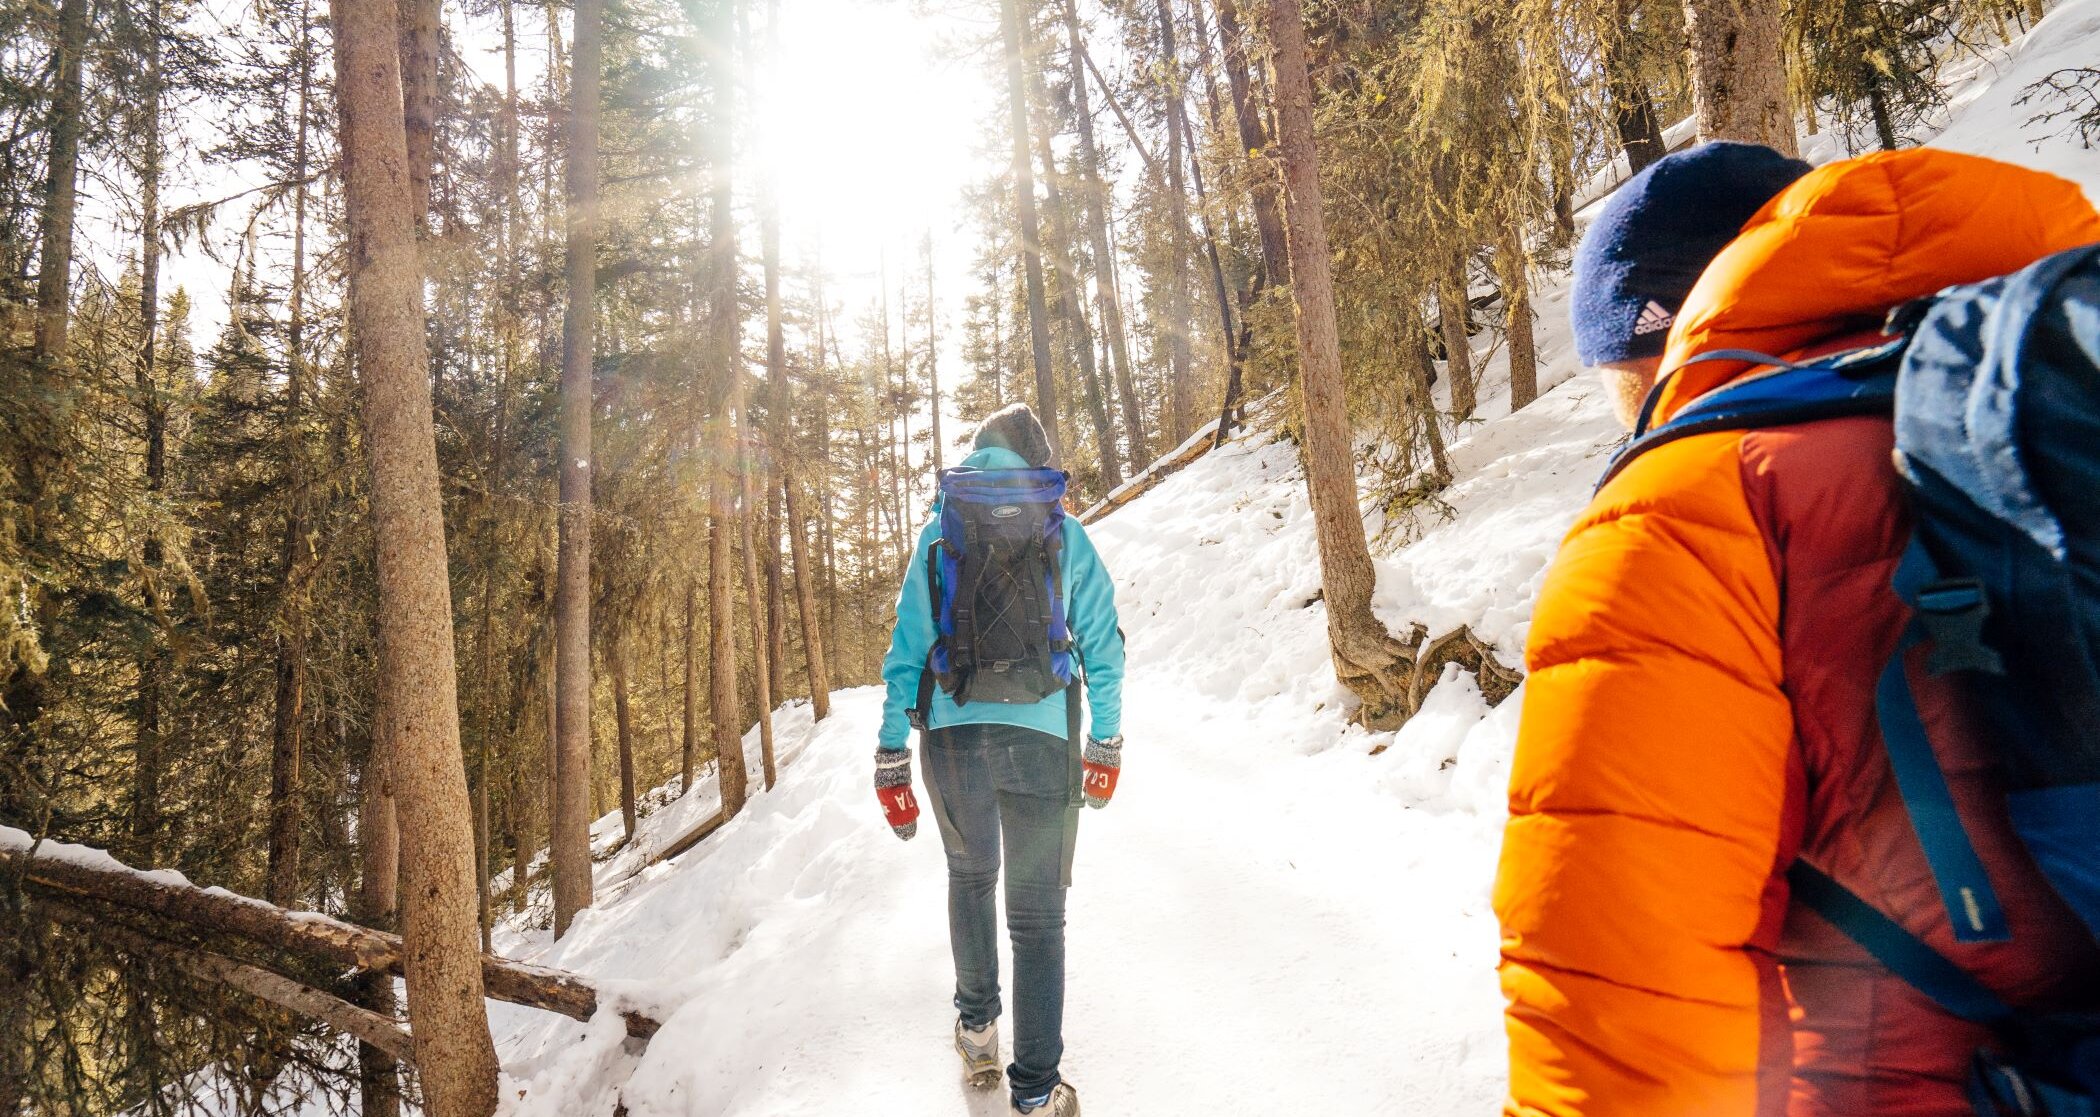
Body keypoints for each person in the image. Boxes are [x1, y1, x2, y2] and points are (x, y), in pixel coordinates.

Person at [1498, 145, 2100, 1115]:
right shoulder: (2068, 398)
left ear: (1666, 331)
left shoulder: (1685, 508)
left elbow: (1627, 990)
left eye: (1617, 377)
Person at [874, 403, 1126, 1117]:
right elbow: (1103, 643)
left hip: (952, 741)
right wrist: (1104, 740)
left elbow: (906, 654)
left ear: (981, 456)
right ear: (1037, 460)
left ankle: (978, 1031)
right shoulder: (1062, 531)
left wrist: (892, 752)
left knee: (970, 877)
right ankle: (1038, 1091)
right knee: (1039, 919)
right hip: (1042, 739)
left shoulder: (939, 533)